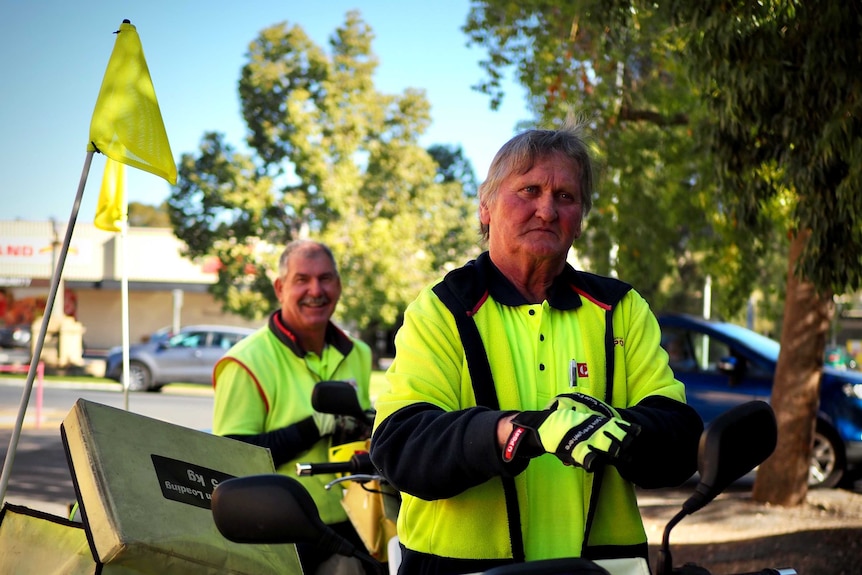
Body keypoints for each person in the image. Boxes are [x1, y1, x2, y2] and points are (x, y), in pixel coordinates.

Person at [369, 122, 704, 574]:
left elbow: (679, 441)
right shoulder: (442, 310)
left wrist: (620, 432)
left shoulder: (620, 309)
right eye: (528, 190)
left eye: (565, 196)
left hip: (603, 570)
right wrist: (515, 433)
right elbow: (400, 445)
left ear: (581, 219)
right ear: (485, 207)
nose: (546, 209)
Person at [212, 239, 373, 575]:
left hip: (351, 524)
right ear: (280, 288)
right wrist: (312, 428)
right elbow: (233, 459)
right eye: (302, 279)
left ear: (339, 286)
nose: (316, 290)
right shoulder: (244, 362)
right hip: (275, 535)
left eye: (326, 278)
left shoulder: (358, 353)